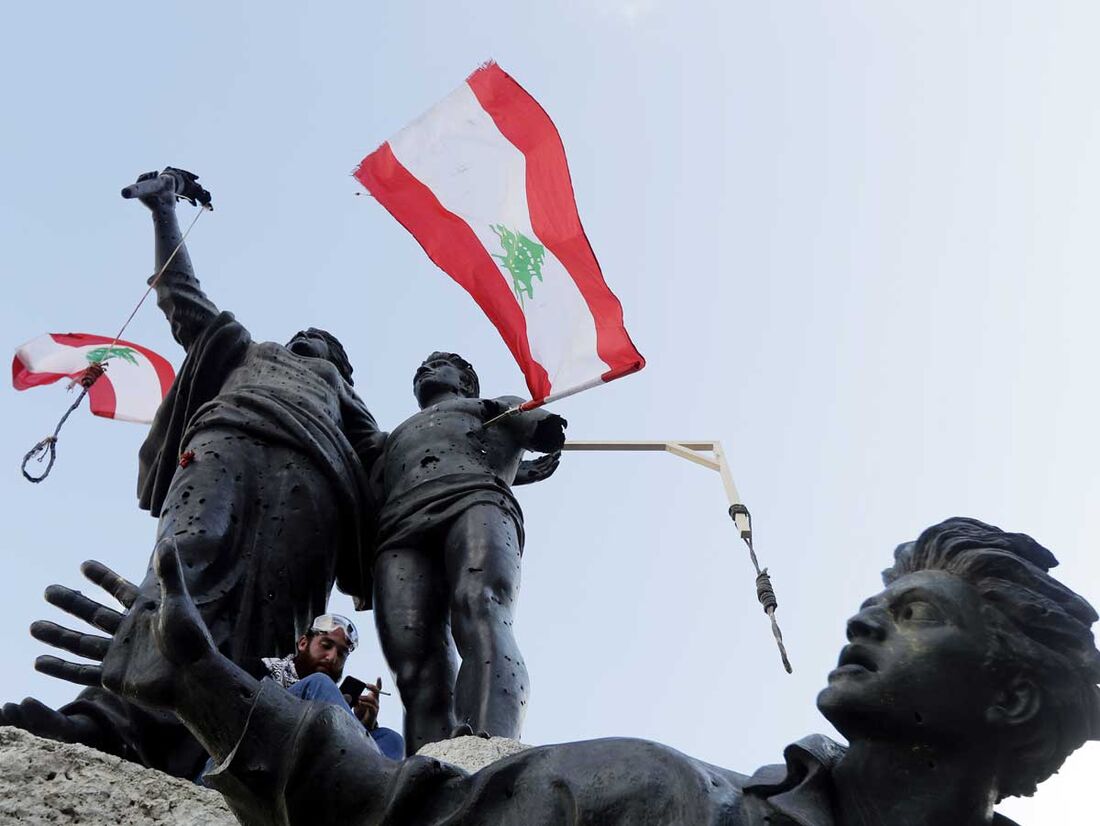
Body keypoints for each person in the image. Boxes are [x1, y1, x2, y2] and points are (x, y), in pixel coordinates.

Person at [35, 518, 1099, 824]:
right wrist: (214, 691)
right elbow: (395, 813)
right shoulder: (666, 800)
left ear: (1007, 695)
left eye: (909, 614)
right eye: (871, 602)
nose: (861, 624)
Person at [0, 168, 385, 779]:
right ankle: (105, 722)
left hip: (316, 487)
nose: (313, 340)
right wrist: (163, 213)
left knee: (274, 620)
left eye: (326, 343)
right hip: (225, 445)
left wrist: (478, 444)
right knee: (182, 568)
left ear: (342, 367)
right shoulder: (247, 350)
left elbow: (391, 458)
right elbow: (182, 297)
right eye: (306, 335)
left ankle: (212, 751)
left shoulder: (344, 401)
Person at [371, 352, 565, 751]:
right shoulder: (393, 438)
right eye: (420, 366)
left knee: (480, 604)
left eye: (437, 364)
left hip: (474, 500)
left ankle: (486, 739)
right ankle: (428, 758)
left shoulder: (486, 406)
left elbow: (532, 422)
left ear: (465, 381)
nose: (425, 369)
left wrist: (539, 432)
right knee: (412, 656)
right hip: (399, 527)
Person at [245, 612, 404, 760]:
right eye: (326, 645)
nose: (332, 657)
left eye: (341, 654)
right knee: (319, 683)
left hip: (323, 755)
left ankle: (371, 778)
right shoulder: (261, 668)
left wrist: (364, 725)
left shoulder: (328, 693)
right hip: (270, 745)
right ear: (303, 643)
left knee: (391, 738)